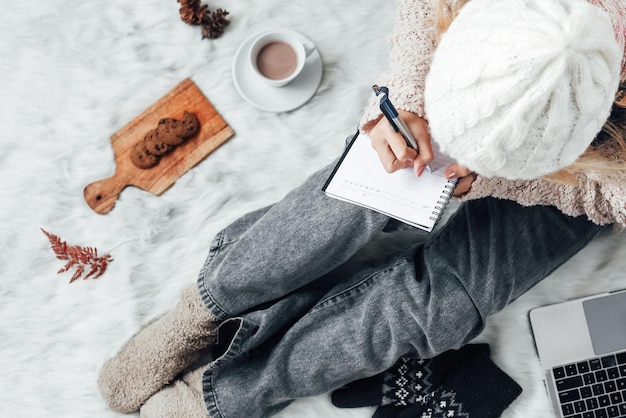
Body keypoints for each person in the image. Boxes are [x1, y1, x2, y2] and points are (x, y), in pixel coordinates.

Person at [97, 0, 626, 417]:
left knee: (444, 304)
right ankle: (203, 311)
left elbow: (610, 197)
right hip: (472, 89)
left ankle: (241, 390)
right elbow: (426, 8)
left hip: (591, 172)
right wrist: (405, 104)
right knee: (358, 189)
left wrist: (503, 181)